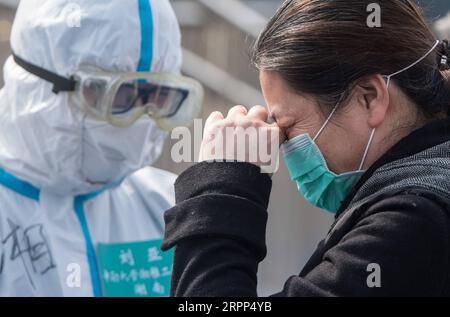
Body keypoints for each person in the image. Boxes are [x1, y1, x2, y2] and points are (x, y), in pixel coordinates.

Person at [162, 0, 450, 296]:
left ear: (370, 97)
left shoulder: (413, 219)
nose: (283, 143)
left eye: (287, 126)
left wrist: (220, 190)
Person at [0, 0, 202, 296]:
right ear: (40, 86)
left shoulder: (167, 207)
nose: (140, 120)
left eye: (158, 95)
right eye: (119, 94)